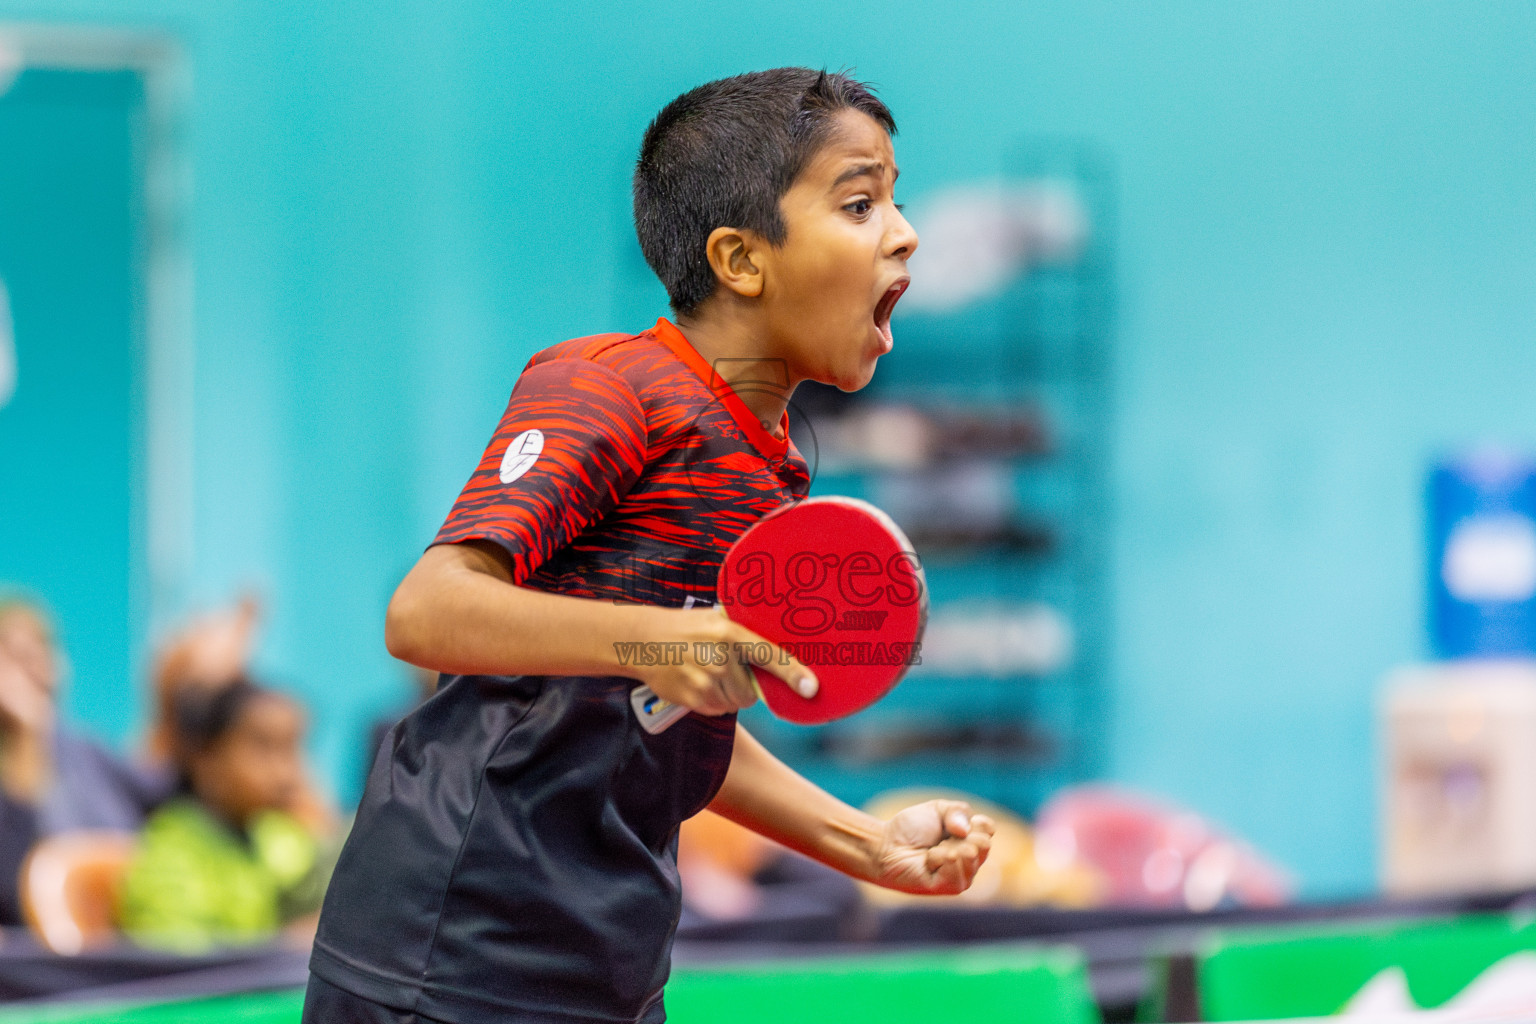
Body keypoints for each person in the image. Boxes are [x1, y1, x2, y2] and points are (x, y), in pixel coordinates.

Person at [304, 68, 995, 1024]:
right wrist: (668, 642)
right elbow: (427, 611)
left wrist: (865, 844)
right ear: (742, 259)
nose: (906, 230)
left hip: (606, 956)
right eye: (860, 199)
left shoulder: (769, 470)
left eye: (897, 197)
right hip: (452, 946)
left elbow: (668, 718)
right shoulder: (609, 385)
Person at [118, 677, 333, 952]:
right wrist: (291, 943)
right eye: (263, 748)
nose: (286, 774)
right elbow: (180, 969)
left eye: (292, 749)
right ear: (205, 756)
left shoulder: (279, 836)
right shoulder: (169, 857)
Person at [0, 596, 170, 927]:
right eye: (16, 657)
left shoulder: (85, 750)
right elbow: (12, 892)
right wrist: (24, 741)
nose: (35, 667)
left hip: (124, 938)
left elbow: (166, 795)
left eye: (42, 650)